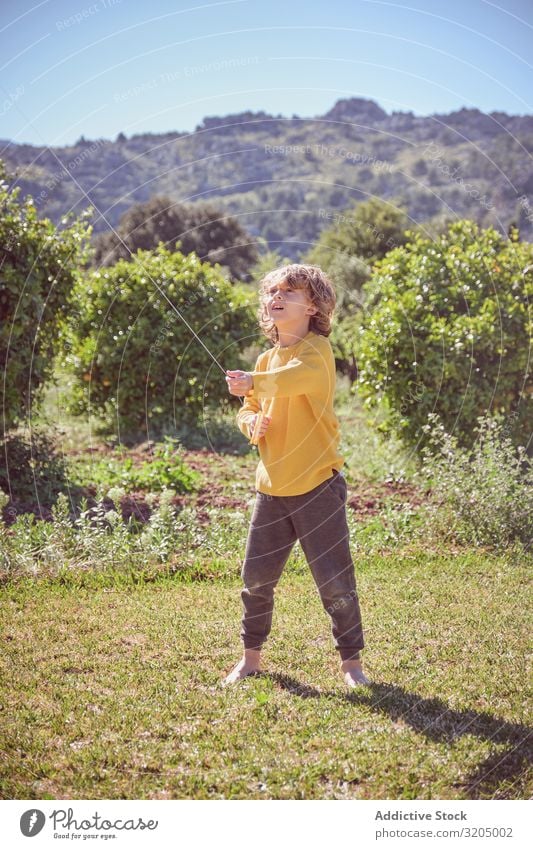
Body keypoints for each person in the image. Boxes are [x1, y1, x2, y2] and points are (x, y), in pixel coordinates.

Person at [223, 264, 370, 689]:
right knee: (255, 580)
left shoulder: (317, 350)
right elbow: (248, 408)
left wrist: (254, 382)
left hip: (318, 487)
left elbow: (295, 380)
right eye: (272, 291)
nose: (277, 296)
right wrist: (250, 423)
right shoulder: (266, 359)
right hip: (271, 488)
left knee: (334, 581)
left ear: (314, 305)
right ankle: (250, 659)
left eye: (290, 290)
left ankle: (351, 665)